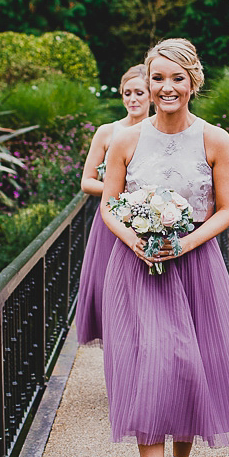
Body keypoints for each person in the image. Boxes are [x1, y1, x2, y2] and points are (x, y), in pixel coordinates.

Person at [99, 38, 229, 457]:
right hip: (136, 270)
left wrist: (184, 243)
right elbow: (108, 205)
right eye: (157, 78)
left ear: (193, 82)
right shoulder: (125, 141)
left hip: (194, 268)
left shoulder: (215, 140)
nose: (166, 87)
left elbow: (226, 210)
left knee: (188, 371)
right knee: (150, 371)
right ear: (146, 85)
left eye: (176, 78)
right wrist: (136, 240)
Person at [74, 63, 150, 348]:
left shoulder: (157, 133)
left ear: (151, 96)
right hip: (112, 220)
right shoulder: (107, 132)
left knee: (144, 291)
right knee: (111, 289)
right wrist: (119, 192)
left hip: (148, 222)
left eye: (139, 92)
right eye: (126, 93)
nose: (132, 99)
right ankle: (117, 353)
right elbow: (86, 182)